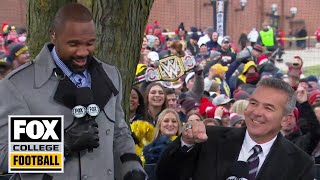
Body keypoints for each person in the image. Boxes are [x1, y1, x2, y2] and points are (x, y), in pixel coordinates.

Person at [0, 3, 146, 180]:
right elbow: (6, 155)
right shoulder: (18, 86)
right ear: (54, 36)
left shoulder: (110, 76)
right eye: (73, 44)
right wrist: (63, 145)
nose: (83, 52)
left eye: (90, 43)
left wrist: (132, 169)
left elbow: (118, 132)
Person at [156, 78, 314, 180]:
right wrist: (186, 143)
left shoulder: (300, 164)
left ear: (285, 119)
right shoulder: (209, 138)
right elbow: (165, 175)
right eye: (253, 103)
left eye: (268, 108)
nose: (256, 112)